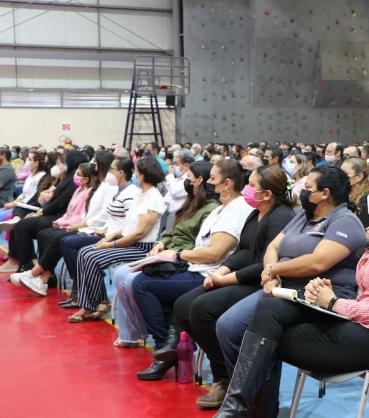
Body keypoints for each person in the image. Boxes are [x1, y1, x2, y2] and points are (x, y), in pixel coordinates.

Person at [215, 163, 369, 417]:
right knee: (269, 314)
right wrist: (321, 292)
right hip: (360, 324)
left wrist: (333, 303)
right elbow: (365, 293)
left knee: (266, 338)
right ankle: (238, 408)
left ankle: (241, 409)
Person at [211, 166, 368, 415]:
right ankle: (251, 401)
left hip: (320, 295)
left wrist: (275, 270)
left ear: (325, 193)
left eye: (308, 189)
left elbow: (318, 262)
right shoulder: (304, 215)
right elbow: (273, 247)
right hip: (284, 289)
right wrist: (272, 273)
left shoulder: (345, 222)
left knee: (262, 328)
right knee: (227, 327)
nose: (302, 193)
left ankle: (256, 408)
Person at [163, 165, 295, 407]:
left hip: (261, 282)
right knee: (183, 306)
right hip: (242, 275)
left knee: (203, 308)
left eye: (252, 185)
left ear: (267, 194)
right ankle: (223, 371)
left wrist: (226, 279)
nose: (246, 189)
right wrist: (220, 270)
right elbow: (244, 251)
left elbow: (261, 264)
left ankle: (228, 378)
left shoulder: (281, 217)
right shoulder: (255, 213)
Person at [131, 159, 253, 380]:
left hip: (210, 273)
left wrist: (177, 254)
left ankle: (165, 350)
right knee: (144, 278)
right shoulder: (219, 209)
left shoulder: (236, 209)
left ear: (226, 184)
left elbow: (214, 253)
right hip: (195, 266)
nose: (208, 183)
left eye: (212, 179)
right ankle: (169, 348)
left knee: (142, 285)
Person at [112, 161, 218, 348]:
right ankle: (135, 331)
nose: (185, 181)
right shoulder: (190, 202)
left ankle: (159, 339)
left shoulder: (210, 209)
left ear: (199, 180)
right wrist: (161, 243)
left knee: (133, 281)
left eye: (189, 178)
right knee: (121, 273)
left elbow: (199, 243)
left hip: (184, 258)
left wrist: (175, 252)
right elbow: (172, 231)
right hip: (169, 252)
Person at [67, 157, 166, 323]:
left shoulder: (154, 198)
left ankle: (90, 306)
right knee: (85, 252)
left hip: (142, 248)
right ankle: (98, 302)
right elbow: (130, 226)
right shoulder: (142, 194)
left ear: (142, 175)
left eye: (136, 171)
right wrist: (112, 235)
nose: (134, 174)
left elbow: (138, 234)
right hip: (130, 242)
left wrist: (110, 244)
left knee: (92, 256)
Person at [57, 157, 140, 306]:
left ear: (121, 173)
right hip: (107, 232)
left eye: (112, 170)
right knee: (67, 241)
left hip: (119, 238)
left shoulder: (131, 193)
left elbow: (130, 225)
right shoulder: (119, 190)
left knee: (75, 246)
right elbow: (112, 217)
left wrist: (109, 234)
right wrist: (104, 229)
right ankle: (85, 293)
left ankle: (88, 296)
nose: (109, 173)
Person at [13, 163, 98, 296]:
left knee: (55, 237)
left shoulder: (89, 193)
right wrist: (60, 221)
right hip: (66, 222)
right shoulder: (79, 189)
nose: (75, 176)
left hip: (78, 226)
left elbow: (81, 217)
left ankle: (37, 273)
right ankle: (44, 277)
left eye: (78, 174)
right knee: (43, 234)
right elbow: (68, 212)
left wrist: (64, 224)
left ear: (86, 179)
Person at [0, 150, 88, 273]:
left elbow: (60, 203)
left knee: (22, 225)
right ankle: (20, 261)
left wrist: (41, 212)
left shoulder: (73, 181)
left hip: (58, 216)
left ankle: (29, 264)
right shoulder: (65, 178)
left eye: (62, 162)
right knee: (19, 219)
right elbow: (49, 196)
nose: (58, 166)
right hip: (52, 212)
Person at [0, 150, 46, 224]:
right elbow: (23, 194)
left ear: (36, 163)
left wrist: (15, 203)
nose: (27, 161)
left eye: (30, 160)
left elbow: (33, 195)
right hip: (20, 203)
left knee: (1, 217)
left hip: (28, 206)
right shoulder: (31, 175)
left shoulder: (41, 176)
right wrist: (15, 202)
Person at [341, 157, 369, 227]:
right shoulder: (348, 193)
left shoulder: (367, 200)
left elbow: (365, 229)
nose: (339, 176)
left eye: (344, 174)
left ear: (359, 177)